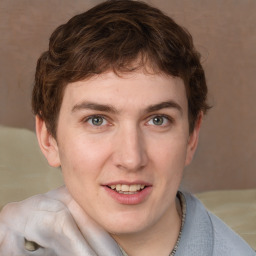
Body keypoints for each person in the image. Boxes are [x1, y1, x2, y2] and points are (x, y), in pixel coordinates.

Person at [0, 0, 254, 255]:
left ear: (191, 137)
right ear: (48, 139)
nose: (131, 159)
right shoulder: (15, 237)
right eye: (97, 120)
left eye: (158, 120)